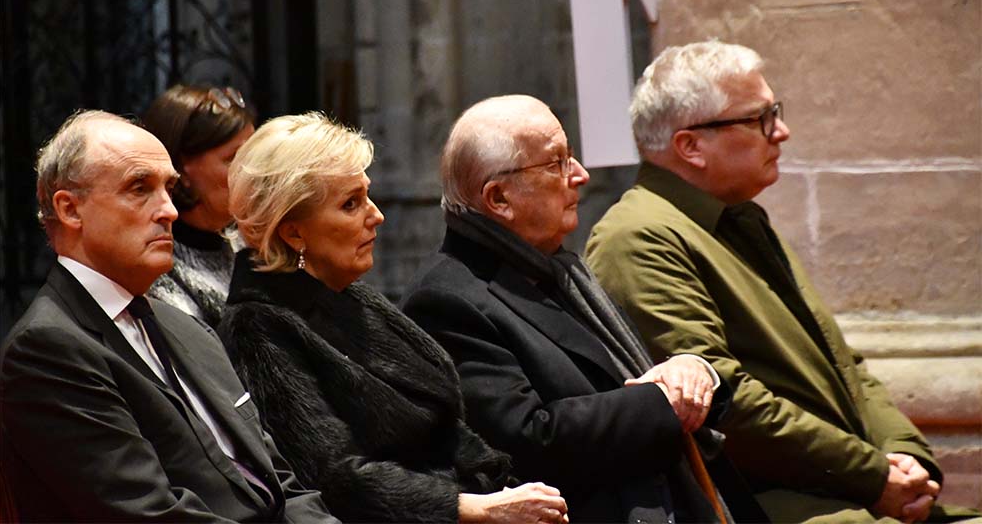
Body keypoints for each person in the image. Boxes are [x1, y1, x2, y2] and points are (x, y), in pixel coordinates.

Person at [585, 40, 980, 524]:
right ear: (691, 146)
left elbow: (843, 364)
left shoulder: (738, 218)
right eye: (760, 119)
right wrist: (873, 476)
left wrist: (905, 452)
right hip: (789, 508)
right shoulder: (637, 238)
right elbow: (723, 402)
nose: (782, 132)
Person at [400, 95, 763, 524]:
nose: (580, 175)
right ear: (499, 198)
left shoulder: (560, 268)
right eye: (556, 163)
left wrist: (692, 370)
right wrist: (660, 401)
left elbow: (629, 375)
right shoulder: (447, 299)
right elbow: (528, 440)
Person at [217, 112, 569, 524]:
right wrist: (472, 508)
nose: (376, 215)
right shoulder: (257, 327)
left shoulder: (349, 295)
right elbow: (334, 478)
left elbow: (447, 429)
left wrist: (508, 489)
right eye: (351, 204)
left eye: (367, 195)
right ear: (293, 232)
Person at [0, 110, 336, 522]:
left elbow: (282, 485)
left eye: (169, 188)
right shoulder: (47, 347)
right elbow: (150, 515)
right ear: (70, 209)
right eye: (139, 188)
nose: (169, 211)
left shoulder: (184, 327)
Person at [142, 84, 255, 326]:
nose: (254, 172)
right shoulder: (155, 270)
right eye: (234, 158)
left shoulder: (251, 245)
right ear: (180, 168)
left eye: (255, 156)